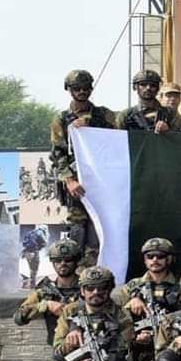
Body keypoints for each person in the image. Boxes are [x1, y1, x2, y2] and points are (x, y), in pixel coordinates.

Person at [50, 70, 115, 267]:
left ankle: (97, 269)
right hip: (76, 181)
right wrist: (69, 180)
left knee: (101, 224)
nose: (81, 92)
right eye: (76, 88)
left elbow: (120, 135)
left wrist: (92, 125)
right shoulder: (61, 119)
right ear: (69, 90)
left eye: (85, 88)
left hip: (101, 180)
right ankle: (76, 269)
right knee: (78, 227)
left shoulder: (103, 115)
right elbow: (58, 153)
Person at [113, 237, 181, 361]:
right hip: (141, 352)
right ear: (144, 260)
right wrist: (130, 304)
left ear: (169, 259)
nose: (155, 260)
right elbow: (114, 315)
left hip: (170, 349)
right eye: (150, 256)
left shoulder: (180, 287)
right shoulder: (132, 287)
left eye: (160, 256)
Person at [15, 238, 82, 345]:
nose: (63, 263)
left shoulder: (88, 289)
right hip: (59, 347)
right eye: (58, 260)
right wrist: (45, 306)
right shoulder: (45, 291)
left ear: (76, 261)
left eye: (68, 259)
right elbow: (19, 318)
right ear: (53, 262)